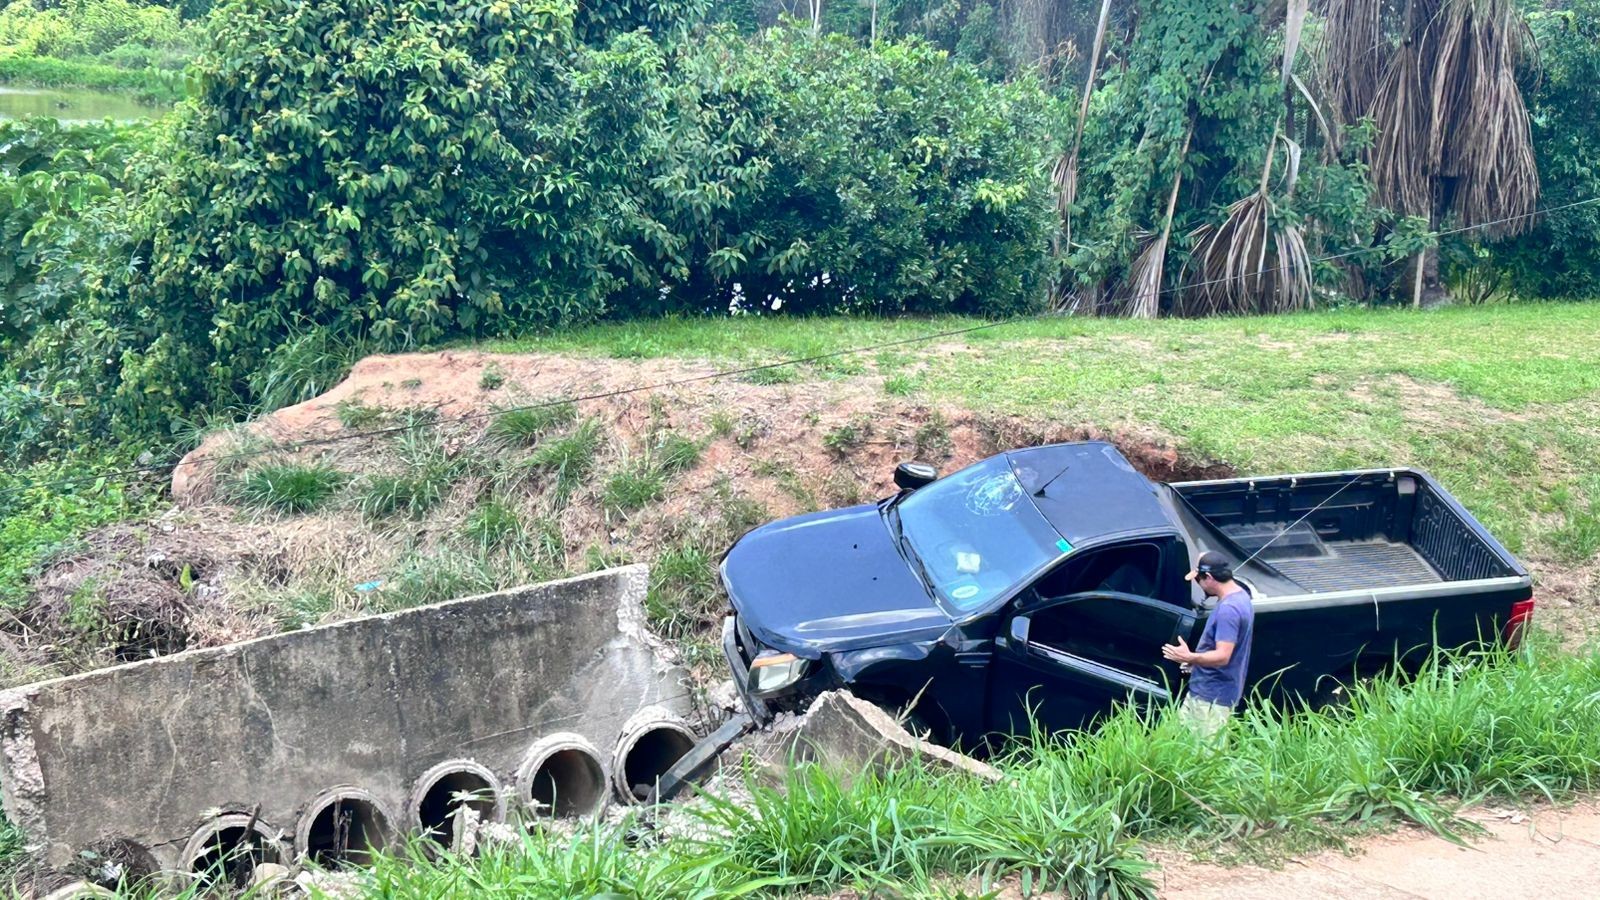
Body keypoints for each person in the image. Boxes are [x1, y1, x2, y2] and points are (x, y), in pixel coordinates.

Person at [1161, 550, 1254, 740]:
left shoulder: (1229, 610)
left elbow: (1223, 656)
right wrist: (1197, 663)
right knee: (1175, 743)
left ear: (1209, 577)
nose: (1198, 584)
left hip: (1212, 698)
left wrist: (1189, 657)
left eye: (1199, 579)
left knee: (1208, 755)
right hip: (1204, 691)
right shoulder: (1241, 596)